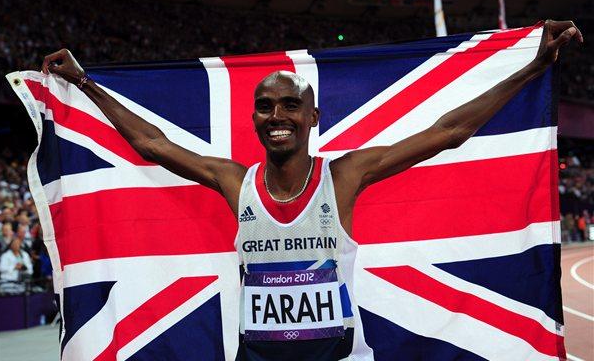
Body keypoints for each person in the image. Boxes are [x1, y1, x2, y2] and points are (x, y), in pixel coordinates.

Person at [41, 20, 581, 360]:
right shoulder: (235, 181)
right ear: (253, 118)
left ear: (312, 117)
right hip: (256, 354)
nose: (276, 116)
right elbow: (151, 143)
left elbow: (447, 132)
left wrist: (533, 67)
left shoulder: (343, 176)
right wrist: (86, 83)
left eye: (289, 106)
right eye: (265, 107)